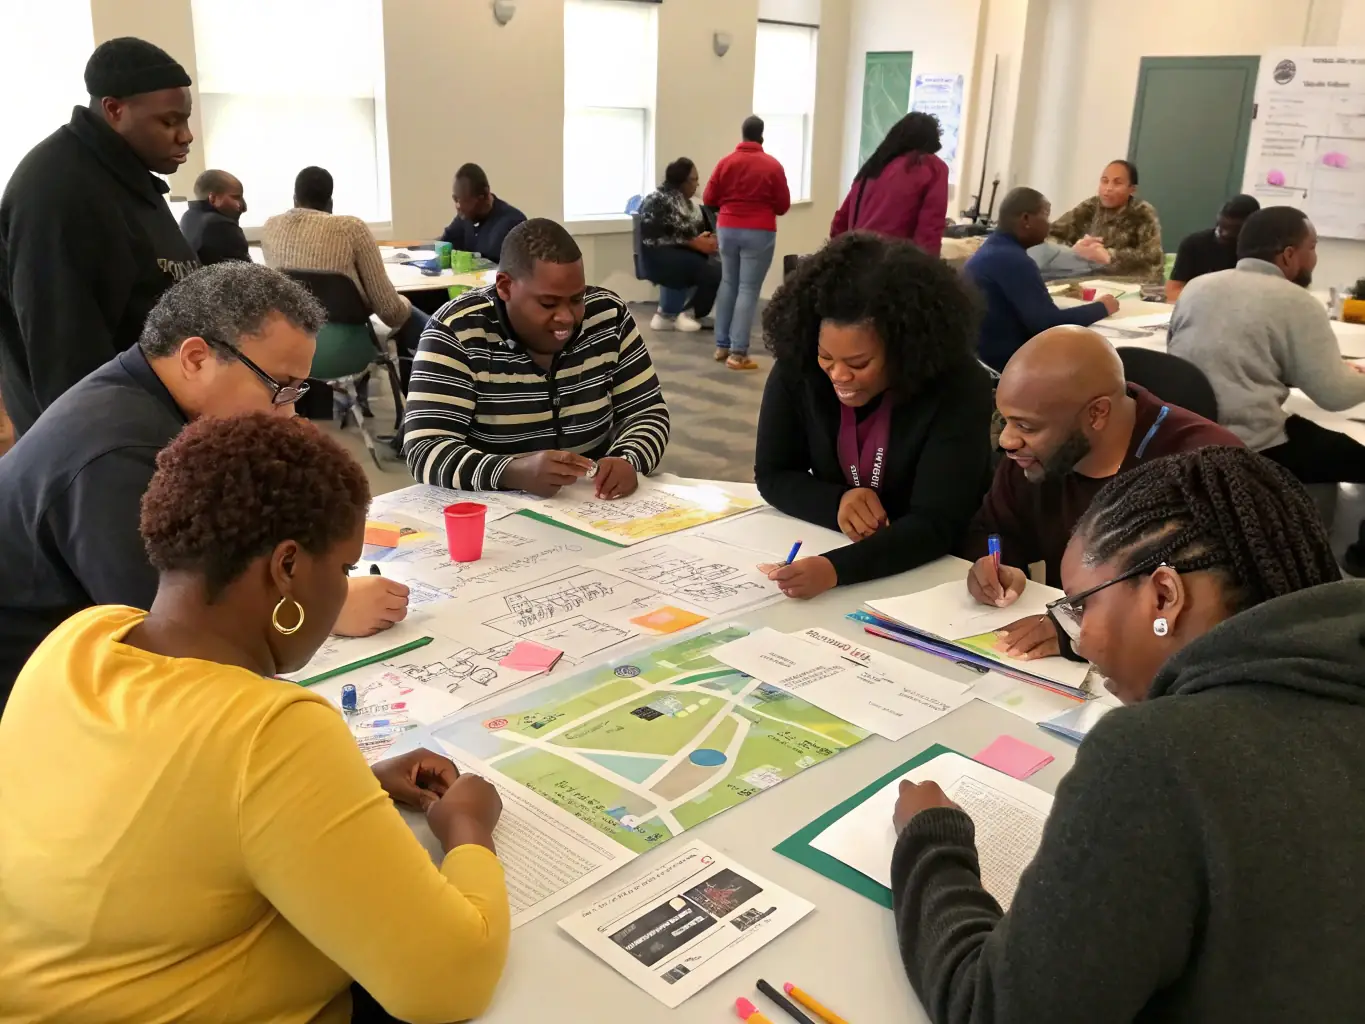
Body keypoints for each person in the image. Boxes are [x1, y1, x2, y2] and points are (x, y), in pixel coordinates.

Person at [0, 412, 509, 1022]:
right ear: (287, 567)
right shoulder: (270, 731)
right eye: (345, 570)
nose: (343, 589)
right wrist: (467, 829)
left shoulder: (81, 639)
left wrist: (356, 784)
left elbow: (162, 806)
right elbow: (448, 984)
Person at [891, 445, 1361, 1024]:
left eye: (1082, 608)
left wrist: (929, 839)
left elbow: (995, 1010)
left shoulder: (1156, 756)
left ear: (1165, 595)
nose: (1080, 641)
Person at [0, 263, 410, 707]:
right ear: (196, 358)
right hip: (35, 704)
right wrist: (325, 604)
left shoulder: (144, 399)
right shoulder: (117, 457)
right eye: (280, 386)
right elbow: (180, 642)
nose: (288, 412)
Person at [960, 325, 1241, 661]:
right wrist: (999, 565)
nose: (1007, 440)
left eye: (1026, 426)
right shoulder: (1032, 459)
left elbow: (1223, 609)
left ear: (1097, 414)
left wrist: (1081, 630)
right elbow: (996, 528)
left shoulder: (1204, 469)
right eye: (1003, 419)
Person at [756, 233, 994, 601]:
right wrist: (836, 502)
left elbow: (938, 523)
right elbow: (773, 474)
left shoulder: (959, 387)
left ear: (905, 349)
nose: (837, 375)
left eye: (858, 363)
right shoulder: (800, 368)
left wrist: (835, 569)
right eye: (827, 357)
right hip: (843, 549)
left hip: (936, 572)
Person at [0, 37, 199, 438]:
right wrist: (105, 455)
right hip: (104, 438)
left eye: (185, 120)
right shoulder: (59, 190)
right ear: (114, 109)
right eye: (169, 121)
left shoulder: (126, 175)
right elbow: (65, 355)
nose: (186, 136)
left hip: (155, 416)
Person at [405, 218, 670, 498]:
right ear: (505, 287)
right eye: (548, 303)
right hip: (494, 506)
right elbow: (425, 449)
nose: (567, 317)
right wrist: (513, 472)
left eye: (577, 299)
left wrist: (630, 459)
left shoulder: (607, 317)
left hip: (594, 502)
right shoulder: (457, 331)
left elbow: (647, 411)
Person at [1168, 204, 1365, 573]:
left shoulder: (1197, 286)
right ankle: (1352, 570)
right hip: (1255, 442)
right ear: (1290, 254)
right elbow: (1334, 394)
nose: (1315, 257)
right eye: (1313, 246)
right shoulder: (1296, 301)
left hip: (1185, 434)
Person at [262, 166, 430, 369]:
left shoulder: (270, 228)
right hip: (346, 347)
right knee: (433, 328)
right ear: (330, 204)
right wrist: (405, 302)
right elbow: (390, 312)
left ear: (294, 200)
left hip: (292, 344)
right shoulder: (351, 229)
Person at [965, 186, 1119, 372]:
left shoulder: (993, 249)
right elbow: (1047, 324)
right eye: (1046, 215)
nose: (1049, 223)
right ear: (1026, 219)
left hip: (980, 359)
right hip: (1003, 368)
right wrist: (1102, 307)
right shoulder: (1013, 260)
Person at [704, 115, 792, 370]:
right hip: (759, 230)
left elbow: (710, 197)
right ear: (761, 134)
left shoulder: (726, 163)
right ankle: (738, 352)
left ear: (742, 134)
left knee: (728, 282)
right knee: (748, 289)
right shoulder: (772, 166)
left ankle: (721, 346)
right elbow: (783, 205)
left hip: (727, 228)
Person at [830, 111, 949, 256]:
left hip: (856, 260)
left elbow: (839, 225)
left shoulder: (872, 167)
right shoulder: (932, 168)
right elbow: (929, 232)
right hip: (892, 265)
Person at [1038, 159, 1163, 282]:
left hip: (1124, 283)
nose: (1108, 188)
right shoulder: (1090, 206)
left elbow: (1152, 258)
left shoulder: (1142, 212)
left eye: (1117, 183)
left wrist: (1109, 256)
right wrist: (1073, 250)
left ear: (1132, 189)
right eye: (1104, 181)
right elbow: (1050, 235)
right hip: (1085, 277)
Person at [639, 157, 721, 333]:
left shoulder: (680, 201)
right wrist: (700, 241)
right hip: (659, 257)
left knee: (709, 263)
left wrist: (701, 239)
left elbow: (685, 232)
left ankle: (672, 314)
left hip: (671, 252)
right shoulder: (661, 200)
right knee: (713, 271)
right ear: (682, 181)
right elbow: (681, 233)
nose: (696, 185)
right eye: (694, 180)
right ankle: (688, 313)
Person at [1164, 193, 1260, 302]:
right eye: (1221, 227)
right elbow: (1172, 291)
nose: (1224, 234)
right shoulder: (1194, 244)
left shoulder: (1260, 252)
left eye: (1234, 231)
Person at [439, 162, 527, 263]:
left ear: (483, 196)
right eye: (455, 199)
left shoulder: (513, 224)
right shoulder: (465, 217)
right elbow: (444, 245)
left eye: (464, 201)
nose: (458, 206)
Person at [179, 168, 250, 265]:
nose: (243, 207)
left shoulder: (187, 217)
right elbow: (247, 274)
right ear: (212, 198)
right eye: (236, 197)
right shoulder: (222, 225)